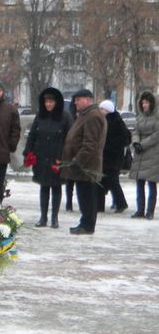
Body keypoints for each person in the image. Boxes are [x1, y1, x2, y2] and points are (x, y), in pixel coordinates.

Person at [23, 87, 72, 228]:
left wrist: (66, 156)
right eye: (46, 102)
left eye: (51, 102)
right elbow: (32, 135)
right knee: (44, 187)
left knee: (56, 187)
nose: (48, 104)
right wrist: (28, 152)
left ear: (56, 102)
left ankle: (54, 218)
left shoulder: (65, 116)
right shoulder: (40, 116)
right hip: (41, 155)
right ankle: (43, 217)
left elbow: (70, 138)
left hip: (57, 157)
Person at [61, 89, 107, 234]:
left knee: (87, 196)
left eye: (78, 99)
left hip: (87, 165)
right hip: (83, 164)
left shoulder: (92, 116)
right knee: (83, 195)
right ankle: (84, 222)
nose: (75, 102)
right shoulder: (86, 115)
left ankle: (87, 225)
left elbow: (90, 143)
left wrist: (78, 160)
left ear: (88, 99)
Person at [129, 91, 159, 219]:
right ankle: (140, 210)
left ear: (151, 103)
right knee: (139, 183)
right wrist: (136, 142)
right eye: (143, 102)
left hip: (153, 152)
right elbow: (135, 130)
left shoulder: (157, 116)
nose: (144, 105)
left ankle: (150, 211)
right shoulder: (140, 116)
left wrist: (143, 144)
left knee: (151, 183)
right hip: (140, 153)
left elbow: (157, 134)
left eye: (146, 102)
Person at [98, 100, 131, 214]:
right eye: (100, 109)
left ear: (108, 110)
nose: (101, 111)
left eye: (103, 109)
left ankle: (121, 203)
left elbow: (125, 138)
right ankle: (99, 205)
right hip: (105, 156)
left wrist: (109, 145)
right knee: (101, 180)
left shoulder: (116, 121)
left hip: (113, 157)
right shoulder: (103, 120)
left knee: (112, 181)